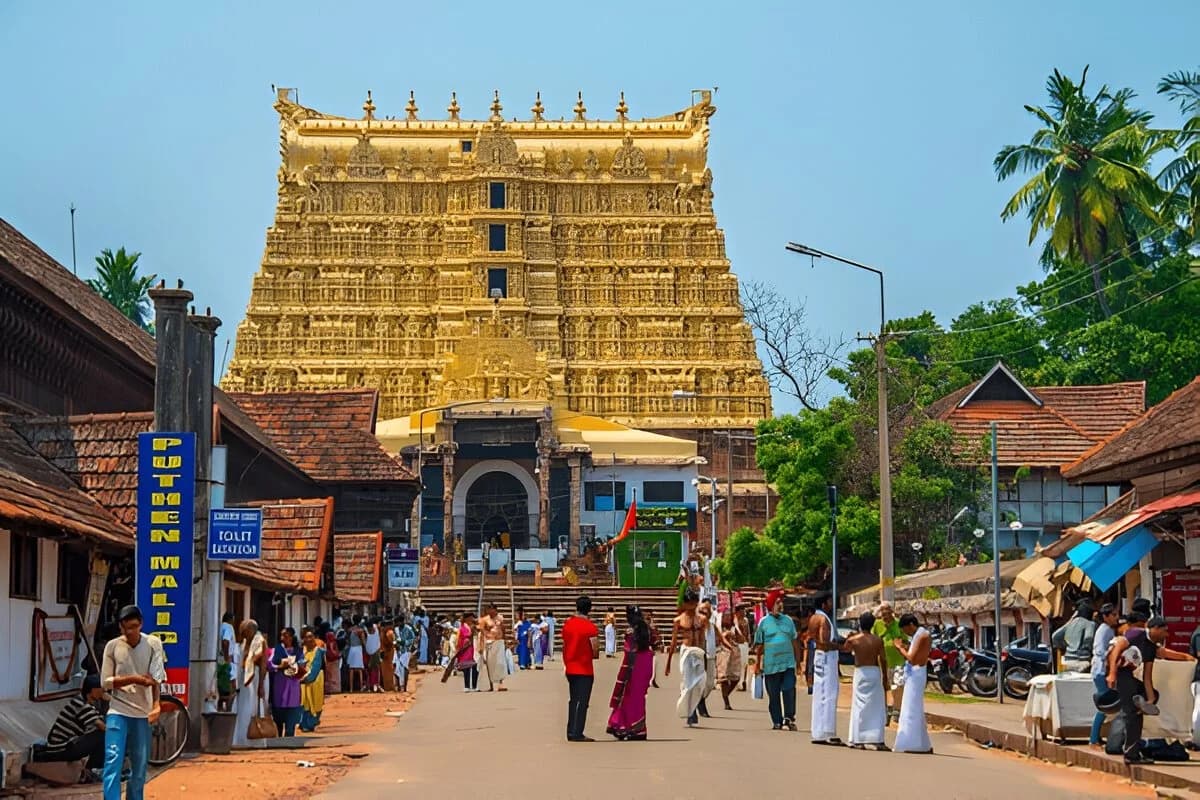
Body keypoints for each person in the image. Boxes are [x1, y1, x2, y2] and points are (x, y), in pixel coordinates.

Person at [100, 605, 166, 800]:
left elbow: (156, 678)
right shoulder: (112, 646)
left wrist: (156, 705)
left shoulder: (153, 643)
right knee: (113, 760)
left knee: (139, 766)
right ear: (121, 627)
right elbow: (105, 682)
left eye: (134, 627)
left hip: (142, 714)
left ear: (141, 625)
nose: (131, 632)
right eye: (127, 627)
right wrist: (135, 679)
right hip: (118, 711)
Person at [1108, 614, 1166, 765]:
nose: (1166, 635)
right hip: (1119, 673)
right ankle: (1130, 755)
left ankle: (1140, 704)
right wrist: (1112, 673)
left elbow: (1147, 676)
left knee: (1151, 698)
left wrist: (1151, 699)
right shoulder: (1137, 633)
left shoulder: (1151, 648)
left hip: (1129, 675)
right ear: (1155, 628)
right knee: (1131, 716)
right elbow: (1117, 648)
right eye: (1164, 631)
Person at [752, 590, 800, 731]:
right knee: (773, 694)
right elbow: (759, 645)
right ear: (771, 604)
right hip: (771, 665)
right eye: (777, 602)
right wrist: (757, 664)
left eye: (781, 602)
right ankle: (777, 721)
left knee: (789, 689)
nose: (780, 605)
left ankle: (789, 718)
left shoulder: (788, 621)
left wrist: (798, 662)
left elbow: (795, 641)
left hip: (788, 663)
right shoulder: (764, 622)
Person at [843, 612, 890, 751]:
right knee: (876, 706)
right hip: (874, 671)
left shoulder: (854, 640)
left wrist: (849, 638)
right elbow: (883, 659)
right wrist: (885, 677)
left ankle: (858, 739)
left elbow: (845, 649)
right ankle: (877, 739)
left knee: (859, 705)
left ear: (859, 623)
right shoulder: (877, 640)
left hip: (861, 672)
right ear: (873, 624)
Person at [607, 606, 655, 740]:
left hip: (634, 665)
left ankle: (625, 726)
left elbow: (629, 651)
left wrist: (624, 671)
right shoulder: (649, 629)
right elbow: (656, 643)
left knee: (626, 696)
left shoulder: (630, 632)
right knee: (639, 697)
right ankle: (639, 729)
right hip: (646, 663)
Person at [43, 673, 106, 774]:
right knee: (102, 736)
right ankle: (94, 768)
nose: (103, 691)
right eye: (101, 688)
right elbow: (101, 726)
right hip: (60, 748)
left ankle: (94, 767)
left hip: (66, 745)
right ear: (93, 690)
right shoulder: (81, 704)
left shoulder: (85, 701)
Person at [665, 588, 708, 727]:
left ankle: (692, 708)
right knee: (688, 682)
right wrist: (668, 663)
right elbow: (673, 642)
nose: (693, 606)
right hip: (686, 652)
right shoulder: (679, 620)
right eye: (690, 603)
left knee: (698, 683)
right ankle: (691, 713)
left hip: (698, 652)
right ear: (685, 604)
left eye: (695, 603)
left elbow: (703, 639)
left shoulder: (701, 619)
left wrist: (704, 656)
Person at [892, 614, 933, 754]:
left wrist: (900, 648)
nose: (906, 633)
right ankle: (921, 743)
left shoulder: (922, 635)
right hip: (913, 674)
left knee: (911, 709)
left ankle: (912, 742)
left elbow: (912, 658)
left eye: (905, 630)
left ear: (911, 625)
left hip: (916, 674)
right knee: (911, 708)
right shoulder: (919, 635)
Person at [563, 595, 600, 742]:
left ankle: (571, 729)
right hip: (584, 668)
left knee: (573, 700)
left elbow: (565, 642)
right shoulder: (590, 627)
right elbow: (595, 648)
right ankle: (577, 732)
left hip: (570, 666)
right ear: (589, 609)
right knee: (582, 701)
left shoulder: (568, 624)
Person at [808, 593, 842, 745]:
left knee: (819, 693)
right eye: (829, 602)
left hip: (820, 656)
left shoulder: (813, 618)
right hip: (827, 657)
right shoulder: (823, 620)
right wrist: (842, 647)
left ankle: (819, 731)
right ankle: (828, 731)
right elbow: (824, 642)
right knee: (829, 694)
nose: (831, 604)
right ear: (823, 604)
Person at [232, 619, 267, 748]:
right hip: (243, 680)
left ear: (251, 630)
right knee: (241, 708)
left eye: (244, 631)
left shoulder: (259, 642)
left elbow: (263, 665)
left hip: (254, 679)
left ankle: (253, 739)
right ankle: (240, 740)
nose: (243, 634)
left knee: (251, 708)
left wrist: (261, 685)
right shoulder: (246, 642)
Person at [1090, 603, 1119, 747]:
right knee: (1104, 705)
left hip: (1100, 670)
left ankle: (1096, 737)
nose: (1117, 618)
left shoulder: (1107, 629)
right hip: (1101, 671)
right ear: (1105, 616)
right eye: (1114, 615)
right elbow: (1101, 651)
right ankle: (1093, 739)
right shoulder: (1104, 630)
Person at [267, 627, 305, 737]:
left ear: (292, 637)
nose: (283, 638)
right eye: (282, 635)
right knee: (278, 717)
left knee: (291, 719)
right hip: (280, 685)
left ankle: (289, 737)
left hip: (293, 686)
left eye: (286, 635)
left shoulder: (298, 651)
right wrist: (279, 666)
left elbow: (302, 663)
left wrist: (297, 666)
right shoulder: (277, 650)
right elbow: (270, 664)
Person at [872, 603, 906, 723]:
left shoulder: (898, 624)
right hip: (883, 660)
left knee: (897, 685)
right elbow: (873, 639)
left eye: (887, 614)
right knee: (884, 685)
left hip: (897, 660)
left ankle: (896, 709)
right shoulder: (877, 624)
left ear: (891, 612)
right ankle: (885, 710)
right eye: (883, 614)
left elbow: (905, 640)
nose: (885, 617)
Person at [1052, 599, 1098, 674]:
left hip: (1068, 661)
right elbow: (1088, 638)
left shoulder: (1071, 623)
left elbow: (1055, 637)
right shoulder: (1091, 624)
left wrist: (1066, 645)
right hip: (1082, 662)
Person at [717, 608, 748, 710]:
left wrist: (737, 631)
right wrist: (724, 635)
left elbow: (742, 640)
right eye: (726, 616)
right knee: (724, 679)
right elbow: (717, 640)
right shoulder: (718, 627)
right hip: (723, 653)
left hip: (734, 655)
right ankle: (726, 701)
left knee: (736, 678)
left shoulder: (735, 627)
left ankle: (726, 695)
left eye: (730, 616)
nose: (728, 618)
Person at [299, 627, 325, 732]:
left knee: (315, 702)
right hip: (303, 681)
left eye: (311, 637)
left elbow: (316, 666)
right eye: (306, 637)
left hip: (315, 680)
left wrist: (309, 678)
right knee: (304, 702)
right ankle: (304, 723)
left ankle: (311, 723)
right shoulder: (303, 651)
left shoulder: (318, 651)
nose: (309, 639)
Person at [479, 603, 510, 691]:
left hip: (499, 642)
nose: (491, 611)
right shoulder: (484, 620)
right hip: (489, 642)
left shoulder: (500, 618)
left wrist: (506, 641)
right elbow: (482, 633)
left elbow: (503, 629)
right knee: (490, 664)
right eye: (489, 609)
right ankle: (491, 685)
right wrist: (481, 646)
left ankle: (501, 683)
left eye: (492, 609)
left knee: (500, 663)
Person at [218, 611, 239, 712]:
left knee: (222, 685)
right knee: (232, 686)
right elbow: (225, 641)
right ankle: (229, 710)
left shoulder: (220, 627)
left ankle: (221, 708)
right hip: (227, 659)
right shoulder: (228, 627)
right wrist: (227, 657)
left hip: (219, 660)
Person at [457, 612, 480, 692]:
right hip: (466, 649)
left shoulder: (475, 626)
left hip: (475, 648)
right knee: (466, 667)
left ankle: (474, 685)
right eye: (470, 618)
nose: (472, 619)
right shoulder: (463, 628)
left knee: (475, 667)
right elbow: (464, 637)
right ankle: (466, 686)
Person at [345, 617, 366, 693]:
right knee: (359, 669)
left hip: (351, 649)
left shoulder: (350, 630)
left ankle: (351, 689)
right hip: (358, 648)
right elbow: (363, 642)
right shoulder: (360, 630)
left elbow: (347, 640)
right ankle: (361, 687)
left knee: (351, 669)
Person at [364, 617, 383, 693]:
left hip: (376, 652)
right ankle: (369, 686)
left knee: (377, 668)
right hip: (368, 652)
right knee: (369, 669)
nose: (369, 630)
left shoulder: (377, 628)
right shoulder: (365, 631)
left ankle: (377, 685)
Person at [322, 625, 341, 695]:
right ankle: (336, 689)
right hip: (334, 660)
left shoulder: (326, 643)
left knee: (329, 676)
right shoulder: (333, 642)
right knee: (335, 675)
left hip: (329, 660)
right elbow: (334, 651)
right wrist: (338, 655)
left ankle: (330, 689)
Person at [380, 619, 397, 692]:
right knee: (387, 670)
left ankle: (390, 686)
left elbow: (392, 642)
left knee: (389, 670)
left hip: (388, 653)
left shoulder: (388, 632)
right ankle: (388, 686)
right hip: (386, 653)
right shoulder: (386, 632)